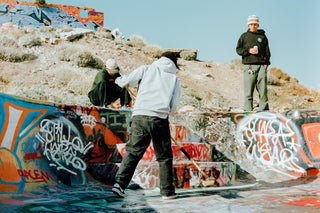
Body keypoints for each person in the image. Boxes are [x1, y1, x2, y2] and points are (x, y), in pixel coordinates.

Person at [111, 52, 181, 200]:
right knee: (164, 157)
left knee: (133, 153)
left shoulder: (146, 69)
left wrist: (118, 80)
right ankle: (167, 192)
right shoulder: (174, 79)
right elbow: (174, 106)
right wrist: (166, 111)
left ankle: (119, 185)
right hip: (160, 119)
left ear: (160, 58)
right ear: (174, 64)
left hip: (140, 116)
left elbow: (126, 81)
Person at [236, 14, 271, 111]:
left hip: (261, 66)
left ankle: (264, 110)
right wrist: (248, 51)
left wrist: (266, 63)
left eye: (255, 24)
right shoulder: (244, 36)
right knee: (248, 91)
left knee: (263, 90)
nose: (253, 26)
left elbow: (267, 51)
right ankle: (248, 111)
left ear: (258, 25)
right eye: (251, 24)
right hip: (249, 66)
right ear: (248, 25)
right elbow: (238, 50)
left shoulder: (263, 37)